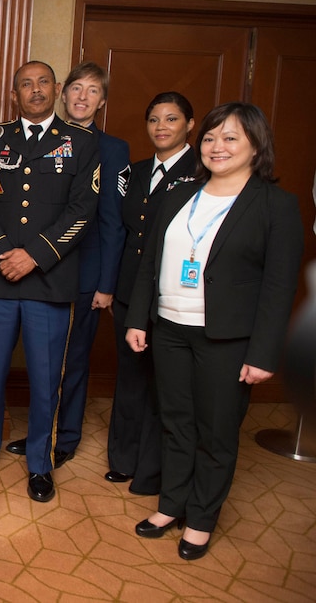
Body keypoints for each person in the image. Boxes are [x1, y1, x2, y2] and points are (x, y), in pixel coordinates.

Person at [125, 102, 303, 561]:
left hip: (228, 338)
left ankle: (201, 518)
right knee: (175, 423)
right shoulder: (179, 194)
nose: (216, 147)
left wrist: (263, 353)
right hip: (169, 329)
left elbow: (279, 285)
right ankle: (171, 505)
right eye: (209, 138)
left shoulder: (275, 205)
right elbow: (149, 262)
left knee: (217, 432)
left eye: (230, 138)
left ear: (255, 145)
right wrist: (138, 319)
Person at [0, 61, 99, 503]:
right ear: (13, 93)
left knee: (45, 379)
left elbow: (82, 211)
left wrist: (36, 255)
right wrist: (1, 251)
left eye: (43, 83)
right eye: (26, 84)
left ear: (56, 90)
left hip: (49, 280)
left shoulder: (80, 143)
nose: (35, 90)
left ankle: (40, 463)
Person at [5, 62, 129, 467]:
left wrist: (106, 283)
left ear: (103, 101)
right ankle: (43, 434)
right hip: (47, 267)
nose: (82, 97)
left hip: (86, 271)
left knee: (72, 359)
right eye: (77, 89)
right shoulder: (44, 138)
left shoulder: (111, 149)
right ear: (63, 92)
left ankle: (65, 438)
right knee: (45, 362)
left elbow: (111, 219)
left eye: (93, 91)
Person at [107, 92, 197, 494]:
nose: (162, 127)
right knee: (129, 379)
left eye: (172, 119)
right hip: (130, 291)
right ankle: (123, 460)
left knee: (166, 387)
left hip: (174, 297)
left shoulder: (203, 171)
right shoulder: (136, 172)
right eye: (155, 119)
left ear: (190, 125)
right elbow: (122, 233)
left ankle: (152, 471)